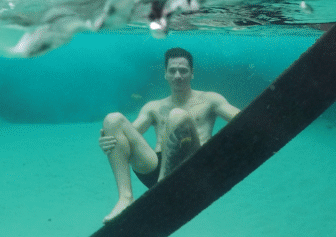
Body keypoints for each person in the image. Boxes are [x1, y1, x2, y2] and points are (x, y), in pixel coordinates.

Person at [98, 47, 240, 223]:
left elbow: (242, 119)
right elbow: (126, 139)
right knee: (113, 120)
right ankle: (125, 198)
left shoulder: (210, 99)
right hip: (155, 174)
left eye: (183, 70)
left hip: (194, 170)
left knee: (177, 115)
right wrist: (108, 141)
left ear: (192, 73)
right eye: (172, 71)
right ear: (165, 74)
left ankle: (163, 189)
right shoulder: (153, 107)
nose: (178, 76)